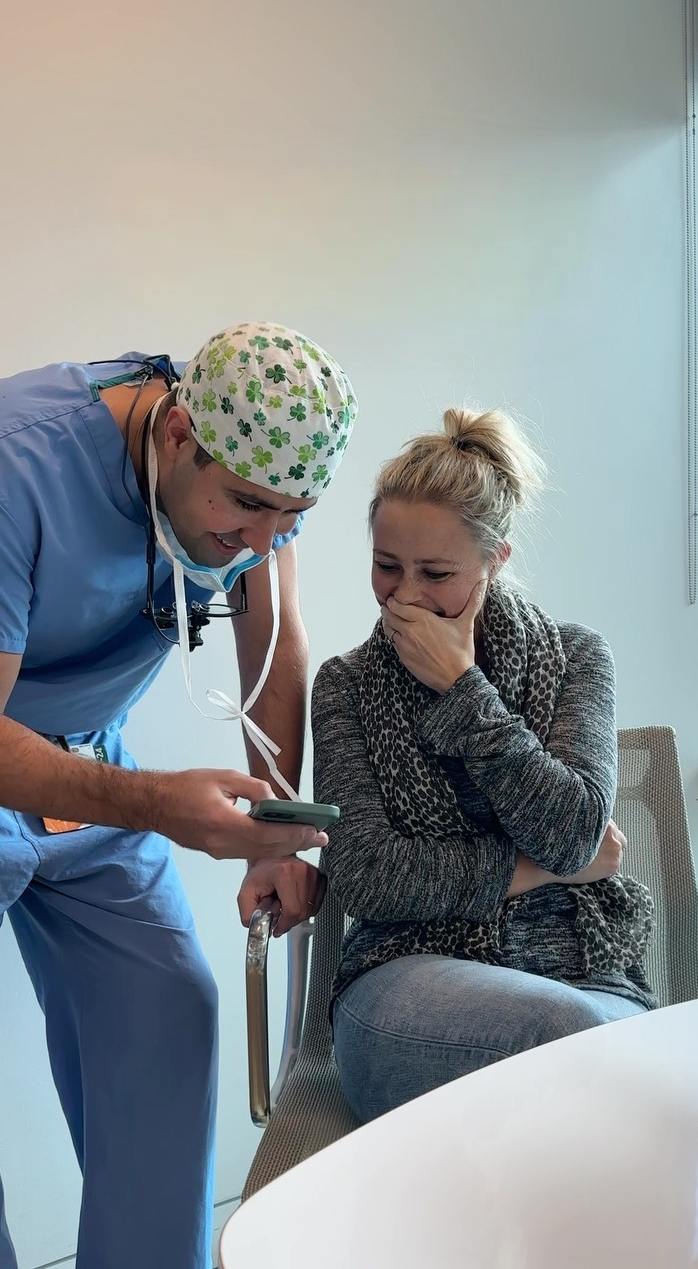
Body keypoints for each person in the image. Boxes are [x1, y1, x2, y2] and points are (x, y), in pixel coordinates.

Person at [0, 323, 357, 1268]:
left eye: (288, 518)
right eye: (244, 510)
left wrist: (277, 833)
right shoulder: (18, 467)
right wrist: (158, 804)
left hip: (84, 778)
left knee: (168, 1012)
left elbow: (273, 638)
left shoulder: (260, 464)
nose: (256, 541)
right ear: (175, 432)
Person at [312, 406, 654, 1125]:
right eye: (385, 566)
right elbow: (370, 878)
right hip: (404, 985)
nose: (403, 596)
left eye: (436, 573)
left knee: (616, 1086)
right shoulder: (344, 686)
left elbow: (572, 831)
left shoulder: (577, 658)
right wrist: (543, 872)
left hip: (585, 973)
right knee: (586, 1055)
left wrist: (464, 692)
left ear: (495, 560)